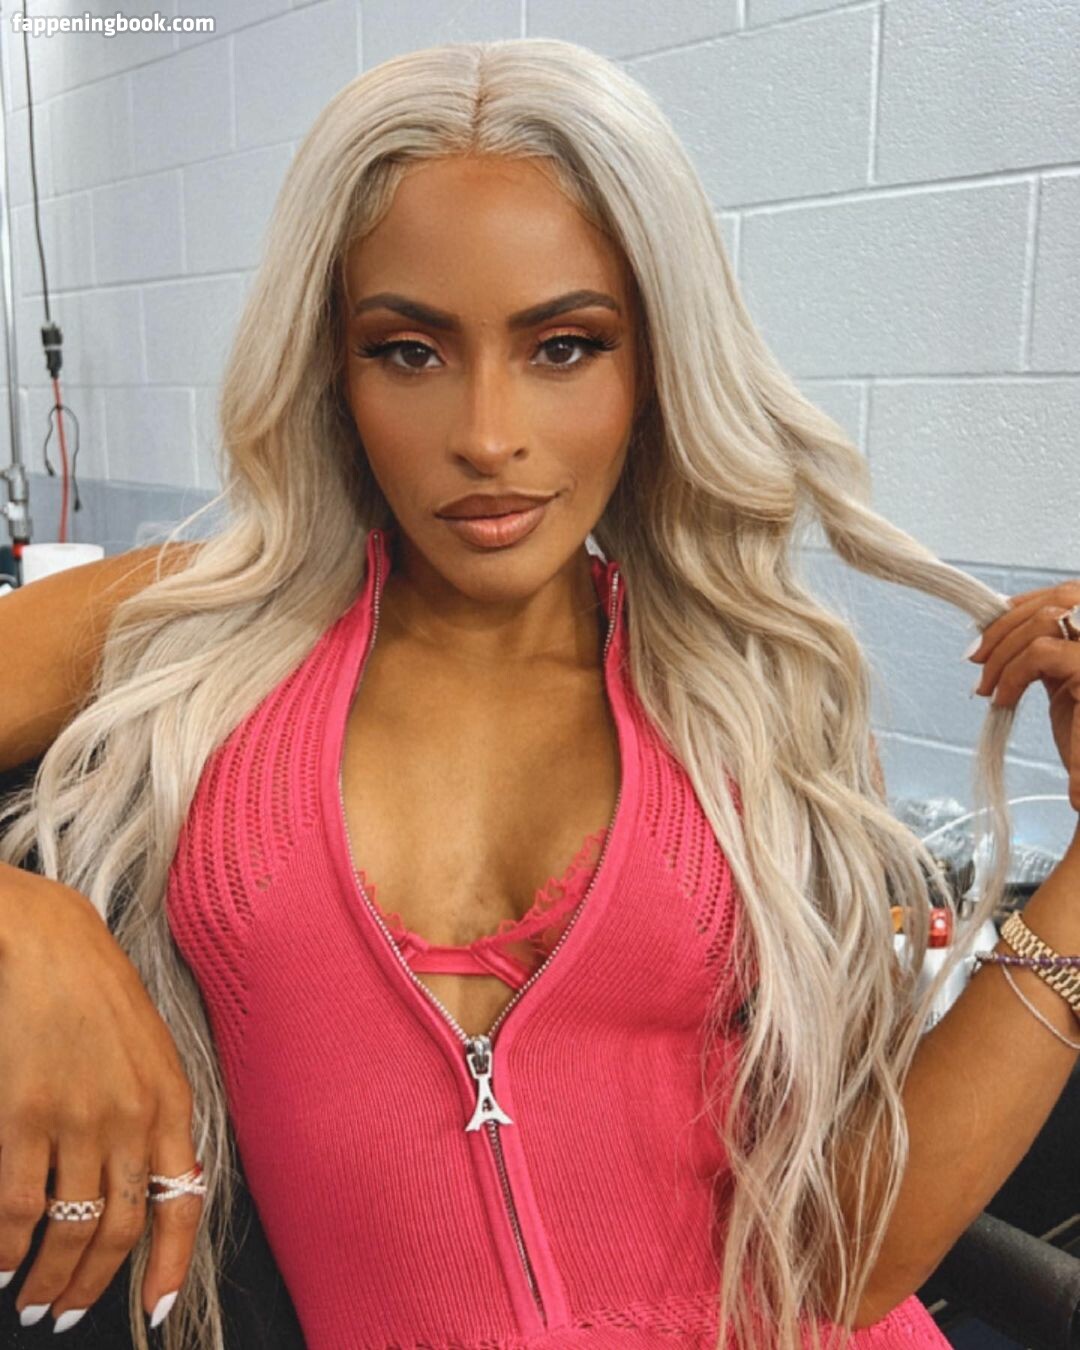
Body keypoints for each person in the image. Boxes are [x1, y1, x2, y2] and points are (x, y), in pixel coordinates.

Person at [1, 34, 1078, 1350]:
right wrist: (18, 921)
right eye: (410, 351)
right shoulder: (193, 625)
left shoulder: (743, 700)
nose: (488, 434)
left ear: (652, 363)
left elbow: (849, 1258)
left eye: (565, 346)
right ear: (332, 367)